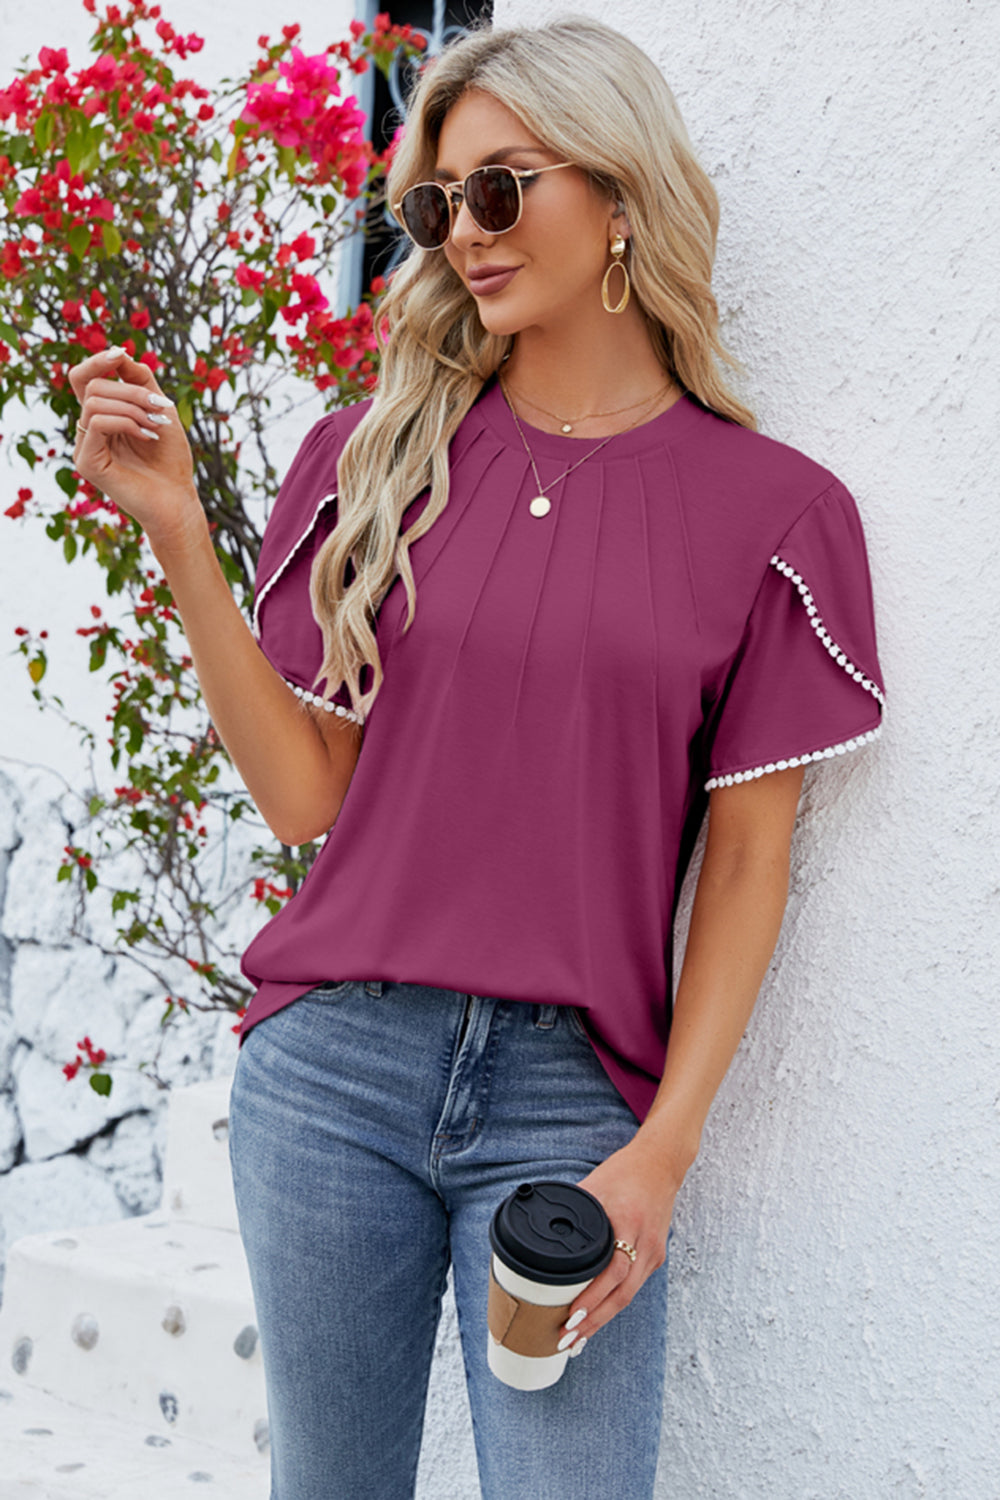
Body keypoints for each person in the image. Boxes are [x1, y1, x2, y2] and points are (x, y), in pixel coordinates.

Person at [68, 15, 885, 1498]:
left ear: (618, 195)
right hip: (334, 1075)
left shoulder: (774, 514)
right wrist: (180, 532)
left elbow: (749, 862)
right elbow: (304, 796)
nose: (465, 232)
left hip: (569, 1106)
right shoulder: (371, 461)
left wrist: (664, 1152)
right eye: (440, 204)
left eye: (501, 188)